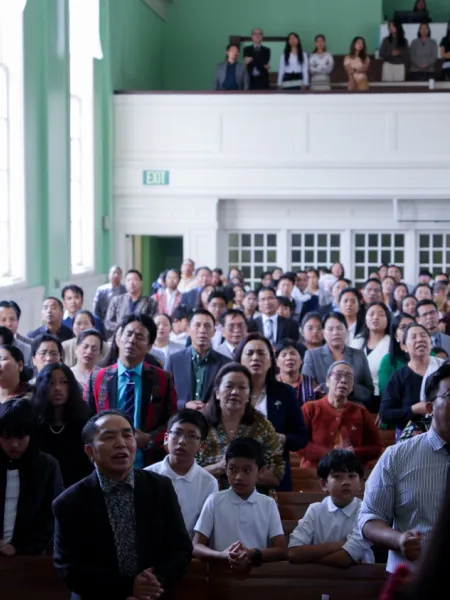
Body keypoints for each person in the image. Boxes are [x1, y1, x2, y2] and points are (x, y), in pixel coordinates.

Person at [53, 410, 192, 600]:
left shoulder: (160, 487)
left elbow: (180, 548)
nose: (121, 443)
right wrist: (128, 588)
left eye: (127, 435)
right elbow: (69, 568)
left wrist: (155, 581)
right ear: (90, 451)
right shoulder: (69, 503)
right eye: (109, 437)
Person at [359, 362, 450, 573]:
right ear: (429, 408)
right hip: (413, 577)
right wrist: (399, 540)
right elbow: (368, 519)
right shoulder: (397, 456)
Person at [85, 315, 177, 467]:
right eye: (128, 334)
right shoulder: (97, 378)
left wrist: (150, 439)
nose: (132, 340)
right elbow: (88, 420)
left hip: (148, 462)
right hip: (106, 460)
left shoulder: (162, 379)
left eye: (140, 337)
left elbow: (173, 421)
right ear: (118, 339)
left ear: (149, 346)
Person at [193, 437, 286, 570]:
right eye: (233, 469)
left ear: (260, 472)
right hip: (220, 573)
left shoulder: (268, 504)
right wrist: (222, 555)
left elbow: (281, 549)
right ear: (226, 469)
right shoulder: (214, 501)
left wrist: (252, 553)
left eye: (247, 470)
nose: (239, 477)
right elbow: (196, 546)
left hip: (257, 575)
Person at [235, 333, 308, 491]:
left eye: (261, 353)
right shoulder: (230, 391)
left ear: (271, 360)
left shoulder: (285, 393)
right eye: (249, 353)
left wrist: (283, 438)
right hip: (234, 476)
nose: (255, 358)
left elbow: (301, 437)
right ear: (240, 359)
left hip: (273, 477)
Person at [197, 363, 285, 491]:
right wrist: (218, 467)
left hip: (254, 500)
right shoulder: (200, 424)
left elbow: (276, 475)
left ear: (249, 395)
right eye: (229, 386)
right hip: (208, 498)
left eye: (242, 387)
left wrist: (241, 473)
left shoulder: (262, 425)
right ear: (217, 393)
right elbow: (186, 473)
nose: (235, 392)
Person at [288, 450, 373, 566]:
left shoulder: (365, 512)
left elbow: (344, 559)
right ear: (324, 484)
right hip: (319, 576)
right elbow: (294, 552)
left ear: (360, 483)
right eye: (337, 477)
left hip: (360, 575)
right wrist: (341, 544)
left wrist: (310, 559)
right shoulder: (315, 510)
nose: (346, 482)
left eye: (352, 476)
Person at [0, 399, 64, 556]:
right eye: (7, 437)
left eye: (21, 437)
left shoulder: (47, 466)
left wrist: (21, 548)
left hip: (31, 555)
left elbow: (52, 516)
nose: (14, 445)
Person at [146, 409, 218, 537]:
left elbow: (205, 530)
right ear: (166, 438)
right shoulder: (147, 475)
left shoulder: (208, 483)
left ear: (202, 446)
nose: (182, 441)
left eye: (191, 436)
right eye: (177, 433)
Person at [299, 361, 382, 469]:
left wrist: (354, 452)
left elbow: (376, 448)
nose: (343, 380)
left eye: (349, 377)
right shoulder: (310, 408)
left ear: (352, 387)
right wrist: (329, 455)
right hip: (315, 471)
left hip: (351, 470)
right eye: (338, 375)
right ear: (327, 381)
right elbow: (299, 443)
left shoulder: (361, 411)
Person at [32, 363, 93, 487]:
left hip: (77, 488)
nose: (57, 388)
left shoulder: (84, 421)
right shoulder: (33, 422)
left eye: (63, 382)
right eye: (51, 383)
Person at [380, 323, 443, 433]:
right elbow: (385, 414)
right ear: (404, 347)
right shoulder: (398, 377)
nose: (420, 339)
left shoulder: (443, 369)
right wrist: (413, 409)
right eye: (413, 337)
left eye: (423, 335)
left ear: (431, 343)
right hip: (411, 437)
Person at [302, 312, 374, 407]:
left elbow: (369, 392)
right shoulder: (312, 356)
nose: (335, 332)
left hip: (353, 409)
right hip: (323, 410)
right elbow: (308, 391)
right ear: (323, 333)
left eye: (339, 328)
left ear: (347, 331)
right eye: (330, 329)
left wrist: (349, 387)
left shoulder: (359, 355)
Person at [165, 309, 231, 411]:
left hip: (211, 419)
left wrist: (210, 407)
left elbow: (228, 397)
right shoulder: (174, 360)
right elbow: (164, 396)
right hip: (181, 417)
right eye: (197, 325)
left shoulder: (225, 364)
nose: (202, 330)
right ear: (188, 330)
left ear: (214, 332)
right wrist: (184, 405)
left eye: (207, 326)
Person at [350, 302, 391, 413]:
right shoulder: (356, 341)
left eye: (381, 314)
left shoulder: (391, 344)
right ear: (365, 318)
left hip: (379, 397)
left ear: (388, 319)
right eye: (371, 314)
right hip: (354, 395)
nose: (375, 317)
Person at [104, 269, 158, 339]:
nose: (131, 283)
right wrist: (124, 328)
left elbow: (153, 322)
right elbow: (108, 322)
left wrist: (138, 329)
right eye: (128, 280)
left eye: (135, 280)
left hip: (141, 338)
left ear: (141, 282)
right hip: (119, 337)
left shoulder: (151, 302)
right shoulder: (116, 300)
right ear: (125, 283)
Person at [378, 313, 416, 398]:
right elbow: (385, 393)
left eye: (412, 326)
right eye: (403, 327)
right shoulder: (388, 360)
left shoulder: (430, 355)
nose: (409, 331)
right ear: (395, 336)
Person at [276, 338, 316, 404]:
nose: (289, 358)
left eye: (293, 354)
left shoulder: (311, 383)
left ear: (301, 360)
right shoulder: (271, 383)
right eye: (284, 355)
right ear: (277, 362)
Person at [0, 301, 32, 365]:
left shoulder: (28, 349)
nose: (9, 324)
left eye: (12, 319)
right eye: (3, 320)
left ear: (18, 321)